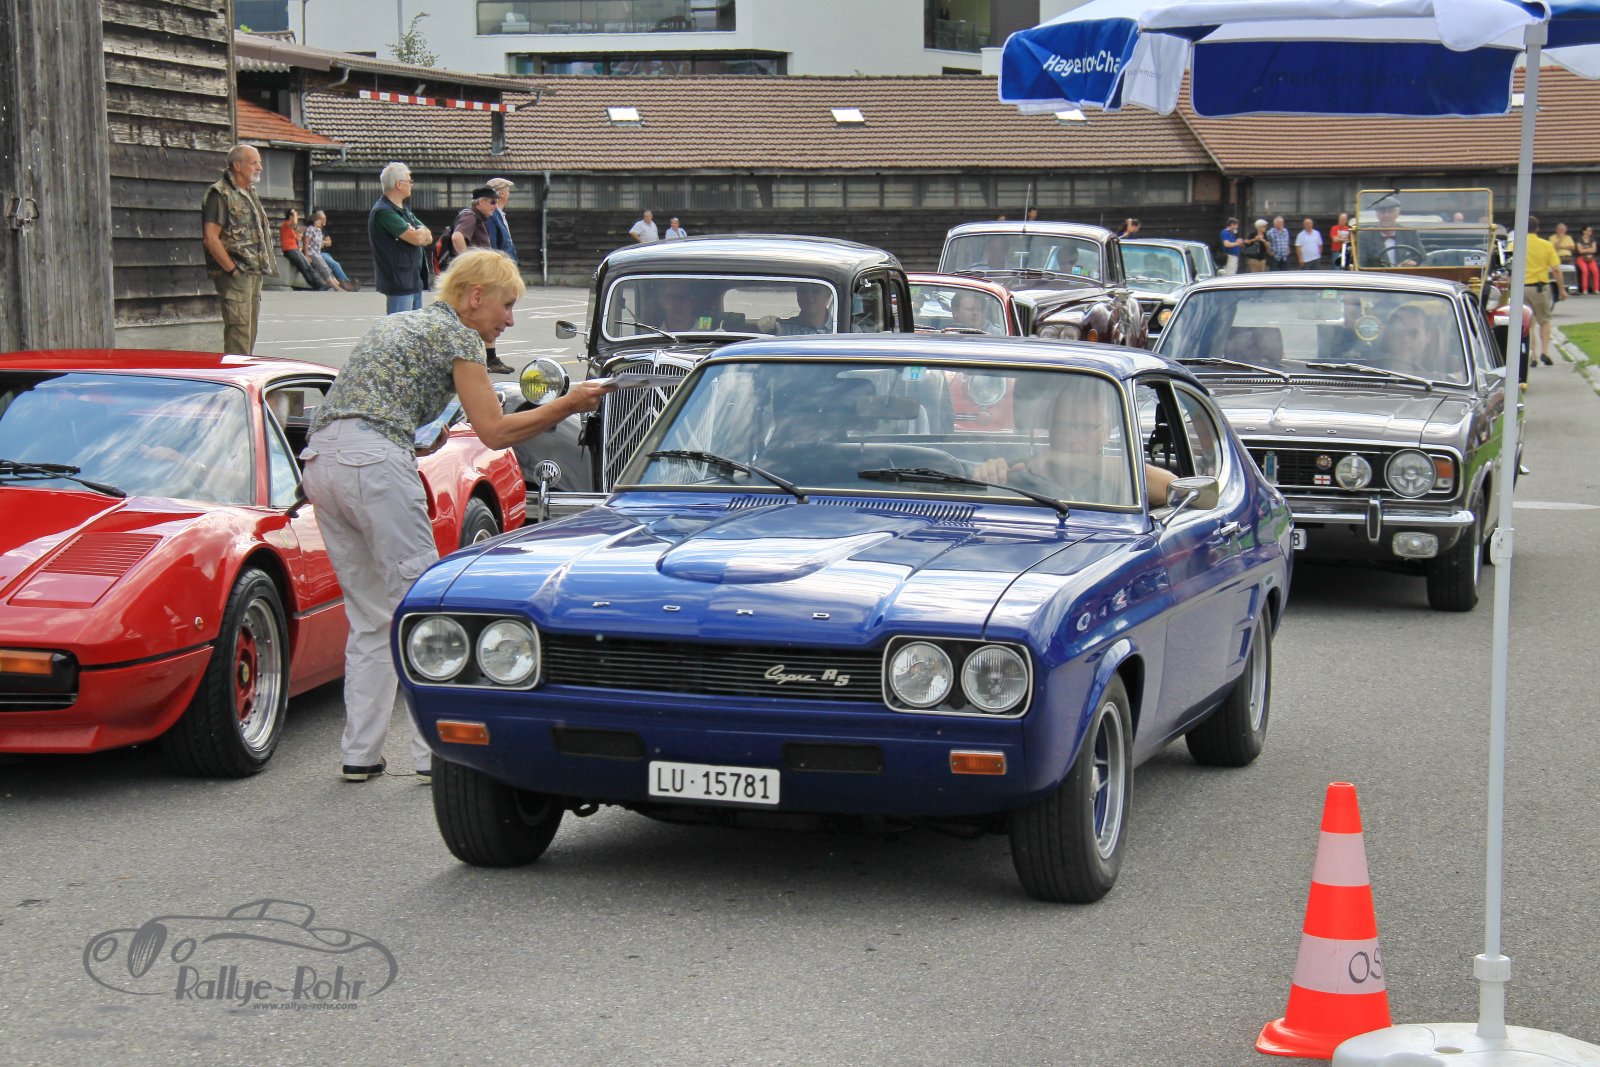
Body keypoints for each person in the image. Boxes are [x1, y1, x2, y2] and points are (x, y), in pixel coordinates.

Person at [299, 250, 613, 784]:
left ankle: (360, 753)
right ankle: (436, 755)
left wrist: (413, 436)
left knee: (372, 617)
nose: (509, 320)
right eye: (506, 305)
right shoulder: (461, 337)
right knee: (425, 611)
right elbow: (495, 432)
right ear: (475, 296)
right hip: (374, 465)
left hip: (322, 461)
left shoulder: (399, 323)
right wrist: (569, 403)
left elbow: (369, 409)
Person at [973, 380, 1176, 505]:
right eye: (1062, 426)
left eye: (1083, 427)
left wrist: (1067, 459)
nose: (1070, 438)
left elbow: (1171, 488)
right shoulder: (1022, 471)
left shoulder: (1119, 480)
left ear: (1105, 432)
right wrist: (988, 476)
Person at [201, 144, 274, 354]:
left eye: (259, 162)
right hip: (235, 275)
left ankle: (245, 372)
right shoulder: (220, 194)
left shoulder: (249, 192)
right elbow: (210, 238)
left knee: (249, 333)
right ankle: (235, 374)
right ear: (237, 166)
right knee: (238, 335)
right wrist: (232, 270)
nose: (259, 167)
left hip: (253, 274)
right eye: (254, 163)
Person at [368, 161, 432, 315]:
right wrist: (418, 234)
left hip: (413, 280)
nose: (412, 184)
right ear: (399, 184)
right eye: (409, 181)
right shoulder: (384, 212)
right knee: (399, 326)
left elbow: (428, 235)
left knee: (415, 327)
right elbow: (417, 239)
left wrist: (419, 232)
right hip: (399, 281)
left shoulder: (403, 211)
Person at [1522, 215, 1563, 369]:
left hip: (1521, 287)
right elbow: (1556, 269)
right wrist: (1561, 289)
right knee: (1544, 320)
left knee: (1528, 323)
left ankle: (1533, 354)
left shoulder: (1515, 244)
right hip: (1539, 286)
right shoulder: (1546, 245)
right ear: (1537, 229)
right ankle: (1545, 351)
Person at [1357, 197, 1422, 267]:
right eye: (1382, 212)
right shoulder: (1365, 235)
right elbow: (1360, 263)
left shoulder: (1410, 233)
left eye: (1391, 212)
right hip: (1378, 274)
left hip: (1405, 273)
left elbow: (1423, 259)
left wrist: (1414, 264)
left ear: (1397, 214)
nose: (1386, 215)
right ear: (1377, 215)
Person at [304, 210, 357, 290]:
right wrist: (307, 255)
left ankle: (340, 284)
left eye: (324, 218)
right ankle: (343, 283)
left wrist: (323, 243)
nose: (323, 220)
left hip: (321, 253)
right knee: (333, 265)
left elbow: (329, 243)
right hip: (316, 253)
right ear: (315, 220)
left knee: (330, 267)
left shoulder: (321, 230)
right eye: (322, 219)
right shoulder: (310, 229)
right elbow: (307, 242)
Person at [279, 208, 331, 290]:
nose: (297, 216)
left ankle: (319, 284)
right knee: (303, 266)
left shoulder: (291, 228)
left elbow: (296, 238)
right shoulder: (286, 224)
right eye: (295, 215)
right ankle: (316, 285)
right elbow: (294, 222)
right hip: (289, 250)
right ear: (290, 216)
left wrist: (299, 236)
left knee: (307, 265)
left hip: (294, 249)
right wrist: (293, 212)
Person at [450, 186, 498, 260]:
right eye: (493, 202)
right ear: (481, 202)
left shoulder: (478, 217)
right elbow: (457, 237)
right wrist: (467, 261)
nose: (496, 207)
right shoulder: (470, 216)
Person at [485, 177, 518, 263]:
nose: (509, 194)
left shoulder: (498, 215)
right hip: (500, 265)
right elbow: (492, 245)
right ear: (501, 193)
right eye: (508, 191)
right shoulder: (491, 215)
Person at [1551, 221, 1576, 295]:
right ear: (1557, 230)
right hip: (1557, 257)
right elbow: (1555, 248)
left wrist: (1562, 247)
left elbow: (1572, 247)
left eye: (1564, 229)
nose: (1562, 231)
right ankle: (1558, 287)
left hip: (1568, 257)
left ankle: (1573, 288)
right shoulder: (1552, 238)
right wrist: (1560, 239)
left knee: (1573, 269)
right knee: (1556, 270)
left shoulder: (1568, 237)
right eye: (1561, 229)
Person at [1575, 224, 1598, 295]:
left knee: (1595, 271)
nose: (1590, 231)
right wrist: (1589, 249)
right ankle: (1585, 289)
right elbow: (1580, 251)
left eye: (1590, 230)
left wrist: (1585, 249)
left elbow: (1594, 250)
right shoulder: (1579, 239)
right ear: (1584, 231)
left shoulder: (1592, 239)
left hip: (1591, 257)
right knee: (1585, 271)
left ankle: (1596, 289)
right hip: (1581, 258)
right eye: (1588, 230)